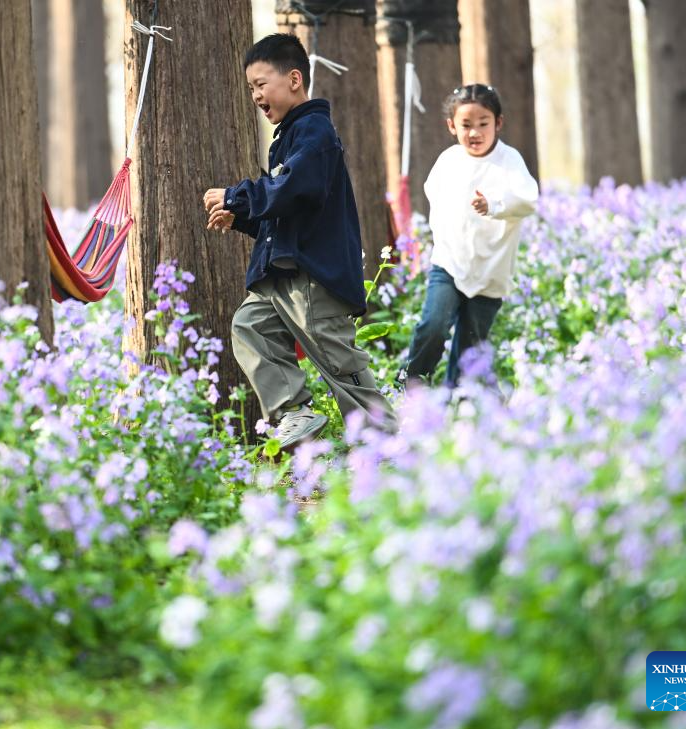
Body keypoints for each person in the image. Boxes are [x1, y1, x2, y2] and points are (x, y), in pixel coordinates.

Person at [203, 33, 396, 451]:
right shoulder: (289, 138)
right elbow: (285, 216)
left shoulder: (315, 132)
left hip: (312, 277)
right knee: (249, 326)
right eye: (251, 87)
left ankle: (387, 442)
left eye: (260, 84)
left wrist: (237, 196)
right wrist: (242, 218)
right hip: (281, 275)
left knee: (337, 363)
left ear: (293, 79)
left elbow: (296, 190)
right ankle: (294, 410)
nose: (255, 95)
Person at [397, 83, 539, 389]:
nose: (474, 132)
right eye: (466, 125)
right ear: (451, 126)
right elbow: (435, 197)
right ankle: (412, 384)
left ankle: (459, 398)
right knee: (433, 325)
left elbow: (528, 199)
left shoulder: (509, 160)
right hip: (450, 263)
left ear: (498, 123)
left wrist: (494, 205)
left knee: (471, 342)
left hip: (491, 270)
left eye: (483, 124)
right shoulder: (449, 161)